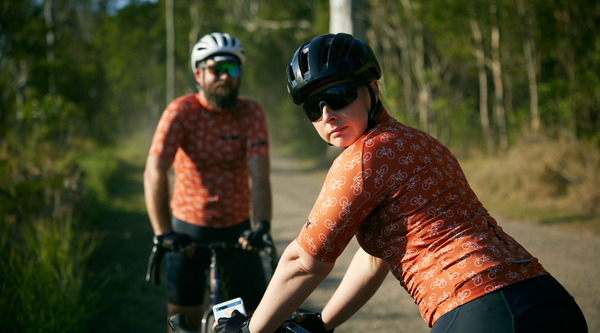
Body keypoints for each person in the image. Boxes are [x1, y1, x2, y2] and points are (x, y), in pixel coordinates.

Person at [215, 33, 588, 333]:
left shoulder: (362, 158)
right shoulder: (419, 141)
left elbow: (303, 262)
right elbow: (376, 258)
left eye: (339, 96)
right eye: (315, 107)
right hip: (548, 299)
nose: (328, 115)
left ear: (372, 90)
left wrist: (251, 330)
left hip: (479, 309)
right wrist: (323, 322)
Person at [143, 32, 272, 332]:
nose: (225, 78)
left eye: (233, 69)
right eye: (217, 70)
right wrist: (163, 232)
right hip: (186, 229)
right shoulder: (181, 111)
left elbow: (260, 176)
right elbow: (155, 170)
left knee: (255, 321)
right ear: (198, 73)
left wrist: (262, 226)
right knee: (182, 323)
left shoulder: (250, 112)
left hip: (238, 230)